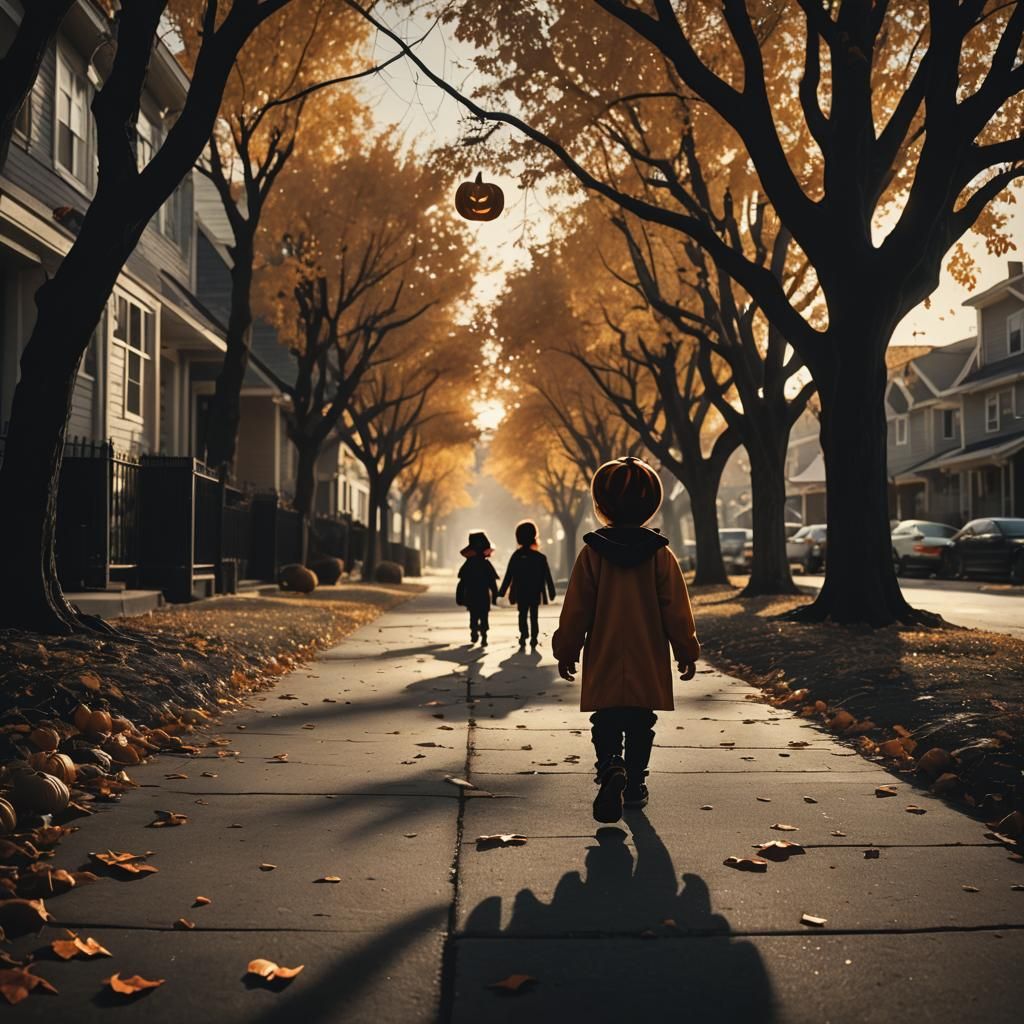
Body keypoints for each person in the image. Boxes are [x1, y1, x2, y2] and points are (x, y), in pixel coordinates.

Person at [552, 456, 700, 822]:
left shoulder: (592, 554)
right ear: (652, 505)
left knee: (605, 720)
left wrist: (567, 647)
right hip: (646, 655)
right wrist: (686, 648)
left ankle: (609, 767)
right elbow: (676, 609)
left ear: (600, 505)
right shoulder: (660, 556)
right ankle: (634, 784)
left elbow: (577, 608)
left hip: (604, 653)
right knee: (640, 722)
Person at [498, 519, 556, 648]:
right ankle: (534, 638)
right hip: (535, 591)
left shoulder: (516, 556)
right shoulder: (540, 557)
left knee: (522, 614)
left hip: (521, 591)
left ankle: (524, 635)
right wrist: (551, 592)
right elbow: (547, 577)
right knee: (534, 615)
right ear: (534, 536)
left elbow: (509, 575)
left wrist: (501, 592)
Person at [456, 531, 499, 646]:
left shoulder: (468, 564)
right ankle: (484, 634)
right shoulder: (486, 564)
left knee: (473, 615)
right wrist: (495, 595)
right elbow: (492, 582)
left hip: (471, 594)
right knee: (484, 615)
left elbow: (462, 582)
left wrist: (460, 596)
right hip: (483, 595)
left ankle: (474, 631)